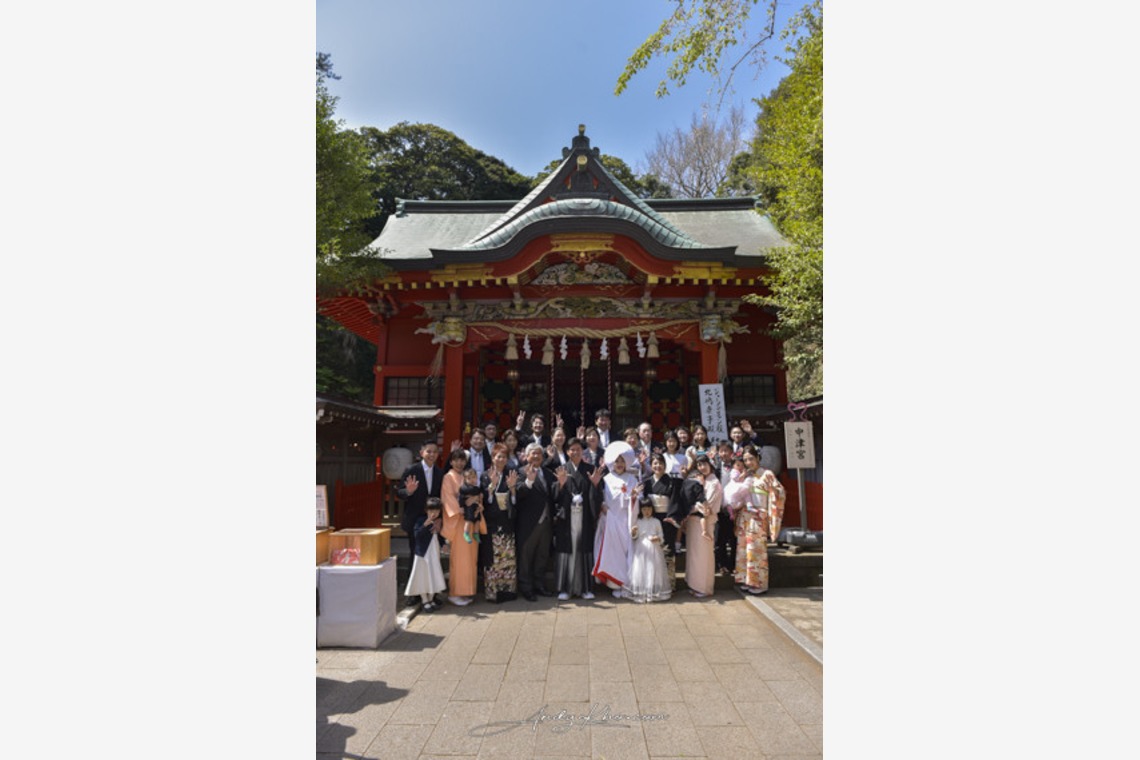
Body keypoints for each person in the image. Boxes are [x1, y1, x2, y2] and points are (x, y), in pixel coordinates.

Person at [551, 438, 604, 600]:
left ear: (583, 452)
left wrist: (595, 486)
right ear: (567, 452)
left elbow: (598, 497)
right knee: (567, 552)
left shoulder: (590, 469)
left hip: (584, 517)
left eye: (578, 450)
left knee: (583, 551)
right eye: (572, 449)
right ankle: (565, 589)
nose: (575, 452)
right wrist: (559, 485)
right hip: (567, 519)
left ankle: (586, 588)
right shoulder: (562, 469)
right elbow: (553, 497)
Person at [734, 446, 786, 595]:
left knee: (756, 550)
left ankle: (759, 583)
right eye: (745, 460)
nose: (748, 462)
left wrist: (775, 492)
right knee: (743, 549)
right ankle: (746, 579)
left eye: (751, 458)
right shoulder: (746, 475)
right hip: (745, 515)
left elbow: (779, 491)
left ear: (758, 458)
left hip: (758, 515)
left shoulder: (767, 474)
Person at [396, 440, 444, 602]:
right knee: (415, 555)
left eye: (435, 452)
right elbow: (399, 492)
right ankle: (413, 593)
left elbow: (441, 498)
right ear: (421, 452)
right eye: (428, 451)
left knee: (432, 555)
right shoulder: (412, 470)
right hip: (415, 519)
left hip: (432, 519)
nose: (431, 454)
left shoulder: (439, 472)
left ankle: (432, 591)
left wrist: (439, 520)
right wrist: (408, 492)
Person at [592, 441, 641, 597]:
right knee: (611, 552)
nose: (619, 464)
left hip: (626, 519)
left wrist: (634, 498)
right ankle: (612, 582)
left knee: (626, 551)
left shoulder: (632, 479)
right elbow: (600, 497)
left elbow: (638, 498)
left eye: (622, 461)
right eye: (617, 461)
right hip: (609, 519)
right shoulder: (606, 479)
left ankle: (624, 583)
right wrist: (602, 506)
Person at [515, 443, 556, 601]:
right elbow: (518, 494)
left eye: (539, 453)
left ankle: (539, 585)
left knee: (542, 555)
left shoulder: (548, 473)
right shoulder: (520, 472)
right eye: (533, 454)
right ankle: (526, 587)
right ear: (526, 456)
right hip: (529, 522)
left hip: (546, 522)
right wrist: (528, 482)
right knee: (526, 556)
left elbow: (553, 493)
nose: (537, 456)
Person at [440, 450, 480, 606]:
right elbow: (448, 498)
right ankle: (454, 592)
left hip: (470, 521)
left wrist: (477, 505)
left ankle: (465, 592)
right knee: (459, 559)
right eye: (456, 460)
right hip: (458, 523)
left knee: (470, 559)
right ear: (451, 462)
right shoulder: (448, 477)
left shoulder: (467, 476)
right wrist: (461, 509)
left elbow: (477, 495)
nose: (460, 463)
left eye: (462, 460)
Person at [481, 443, 520, 603]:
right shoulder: (485, 475)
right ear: (493, 458)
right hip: (492, 521)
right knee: (492, 559)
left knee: (507, 558)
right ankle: (493, 592)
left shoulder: (511, 474)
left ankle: (508, 592)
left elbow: (515, 500)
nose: (501, 459)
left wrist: (512, 490)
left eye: (504, 456)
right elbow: (484, 499)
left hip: (507, 521)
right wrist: (491, 487)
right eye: (498, 456)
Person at [641, 452, 684, 592]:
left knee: (667, 550)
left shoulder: (671, 482)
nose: (657, 466)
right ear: (651, 465)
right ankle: (652, 583)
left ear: (665, 466)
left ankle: (669, 584)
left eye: (660, 463)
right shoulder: (647, 482)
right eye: (655, 463)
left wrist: (672, 517)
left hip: (666, 519)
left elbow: (675, 501)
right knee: (651, 550)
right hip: (651, 519)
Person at [684, 455, 722, 597]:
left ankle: (704, 587)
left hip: (706, 520)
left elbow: (707, 505)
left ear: (710, 464)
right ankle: (694, 584)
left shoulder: (714, 482)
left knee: (704, 556)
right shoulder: (702, 480)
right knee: (694, 555)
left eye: (704, 464)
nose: (702, 467)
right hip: (694, 521)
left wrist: (691, 508)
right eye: (699, 465)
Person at [405, 497, 447, 612]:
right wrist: (425, 525)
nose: (434, 513)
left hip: (434, 552)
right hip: (422, 554)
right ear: (426, 510)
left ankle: (431, 598)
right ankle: (425, 600)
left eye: (436, 511)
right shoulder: (420, 520)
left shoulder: (439, 522)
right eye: (431, 511)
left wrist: (443, 544)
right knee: (422, 576)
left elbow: (440, 536)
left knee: (434, 574)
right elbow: (416, 536)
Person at [625, 501, 671, 603]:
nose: (647, 512)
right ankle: (641, 591)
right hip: (641, 549)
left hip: (654, 549)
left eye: (649, 509)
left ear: (652, 510)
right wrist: (633, 532)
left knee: (653, 569)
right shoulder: (638, 521)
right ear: (641, 510)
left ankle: (653, 591)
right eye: (644, 509)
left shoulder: (656, 521)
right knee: (641, 570)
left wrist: (658, 538)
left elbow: (661, 536)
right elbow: (635, 537)